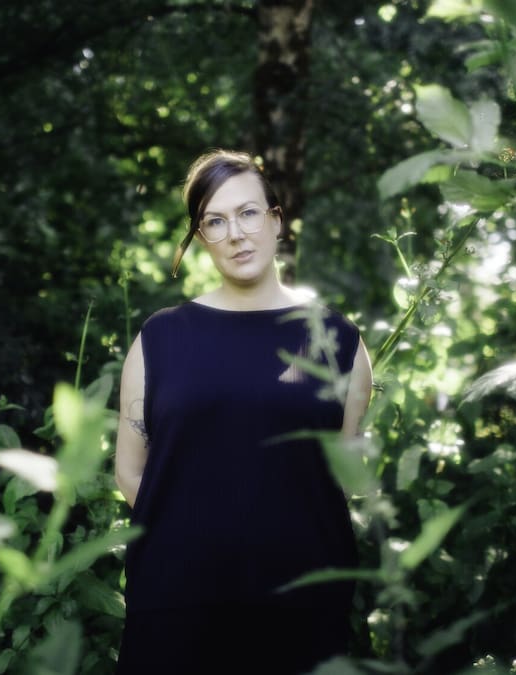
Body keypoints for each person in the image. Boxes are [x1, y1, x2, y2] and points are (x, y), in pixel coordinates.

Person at [113, 149, 374, 674]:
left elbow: (341, 477)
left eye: (248, 213)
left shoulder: (336, 340)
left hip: (300, 605)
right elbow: (130, 471)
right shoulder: (161, 338)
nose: (235, 234)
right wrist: (194, 536)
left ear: (276, 220)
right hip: (177, 601)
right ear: (200, 237)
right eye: (215, 221)